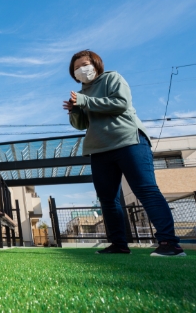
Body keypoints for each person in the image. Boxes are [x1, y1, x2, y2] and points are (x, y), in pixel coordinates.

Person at [63, 50, 185, 257]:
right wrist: (75, 110)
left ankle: (169, 243)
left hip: (129, 141)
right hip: (99, 149)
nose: (80, 69)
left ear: (96, 64)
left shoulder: (112, 78)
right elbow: (81, 124)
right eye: (76, 68)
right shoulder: (81, 93)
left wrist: (85, 102)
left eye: (84, 64)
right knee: (107, 199)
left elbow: (121, 103)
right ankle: (119, 245)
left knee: (146, 190)